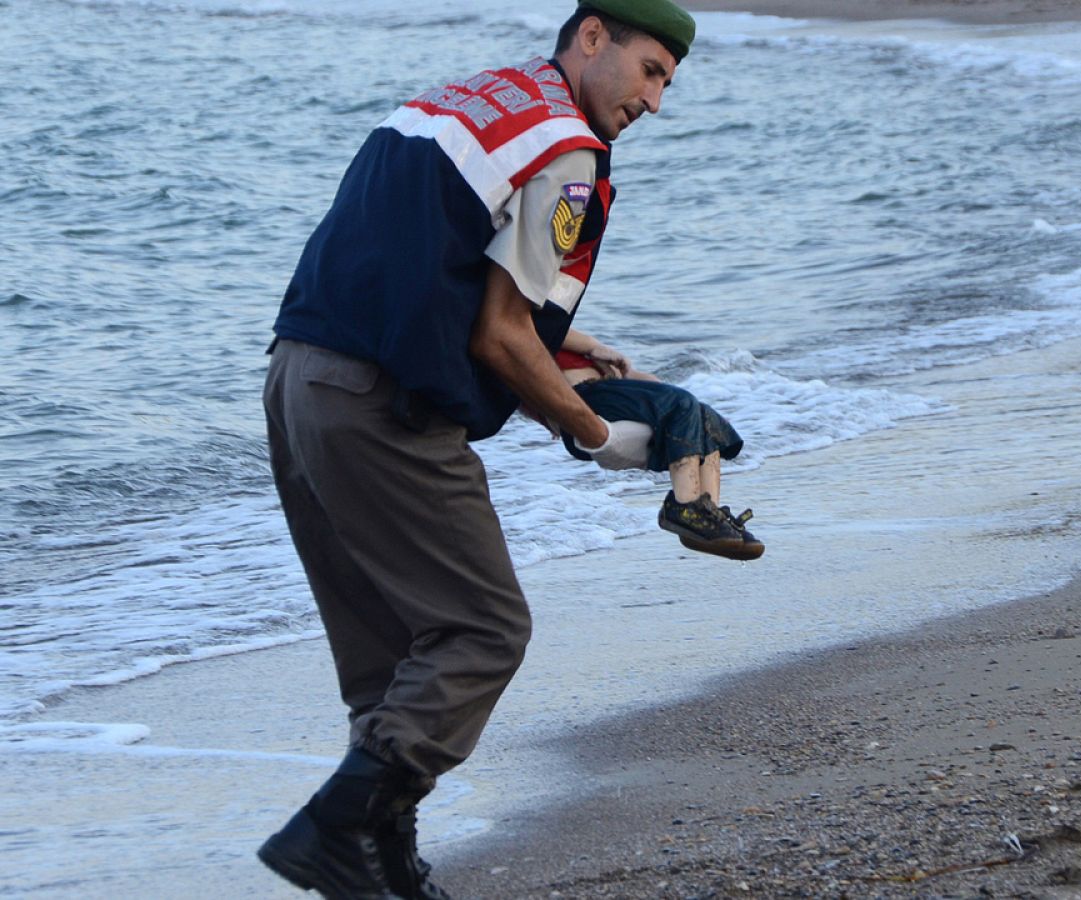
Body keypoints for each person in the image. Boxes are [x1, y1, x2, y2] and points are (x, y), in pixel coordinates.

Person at [257, 2, 701, 897]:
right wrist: (596, 432)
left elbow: (427, 257)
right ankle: (332, 828)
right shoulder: (569, 151)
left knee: (387, 661)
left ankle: (382, 872)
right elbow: (499, 338)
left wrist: (564, 347)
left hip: (300, 381)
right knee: (481, 629)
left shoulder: (469, 99)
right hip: (384, 409)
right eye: (652, 70)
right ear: (591, 38)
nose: (655, 101)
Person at [547, 332, 764, 560]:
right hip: (582, 396)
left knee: (702, 414)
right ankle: (685, 507)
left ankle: (708, 515)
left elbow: (651, 387)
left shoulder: (590, 356)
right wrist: (595, 346)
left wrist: (629, 373)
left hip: (611, 391)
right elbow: (546, 325)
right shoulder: (541, 331)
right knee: (683, 403)